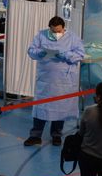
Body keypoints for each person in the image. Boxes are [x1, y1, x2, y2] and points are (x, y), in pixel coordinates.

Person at [24, 16, 85, 146]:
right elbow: (31, 51)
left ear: (63, 28)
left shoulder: (73, 38)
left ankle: (56, 135)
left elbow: (80, 55)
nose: (56, 34)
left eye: (58, 31)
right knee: (41, 107)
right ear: (49, 28)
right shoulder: (41, 35)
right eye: (53, 31)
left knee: (60, 108)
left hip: (64, 81)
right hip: (46, 80)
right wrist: (40, 52)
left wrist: (65, 54)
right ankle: (35, 136)